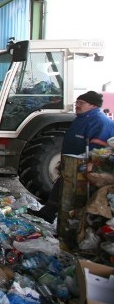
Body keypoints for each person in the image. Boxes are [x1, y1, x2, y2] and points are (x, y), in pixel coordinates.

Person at [28, 91, 114, 222]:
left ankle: (69, 224)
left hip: (85, 166)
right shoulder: (80, 119)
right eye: (77, 102)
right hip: (71, 162)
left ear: (93, 106)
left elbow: (97, 149)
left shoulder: (101, 122)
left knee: (75, 196)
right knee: (60, 187)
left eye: (81, 103)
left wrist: (86, 163)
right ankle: (48, 213)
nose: (77, 105)